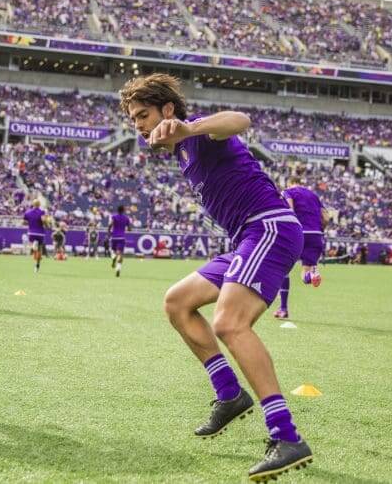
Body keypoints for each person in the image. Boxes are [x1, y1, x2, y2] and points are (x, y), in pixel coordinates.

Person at [120, 74, 312, 481]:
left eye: (143, 115)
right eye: (133, 117)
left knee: (229, 323)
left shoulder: (199, 135)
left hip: (269, 228)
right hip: (245, 238)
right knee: (177, 302)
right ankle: (229, 394)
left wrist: (190, 127)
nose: (137, 124)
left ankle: (287, 435)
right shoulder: (179, 151)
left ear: (167, 111)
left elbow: (240, 120)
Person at [274, 178, 328, 319]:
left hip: (298, 233)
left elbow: (290, 209)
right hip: (316, 235)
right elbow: (326, 217)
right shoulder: (313, 195)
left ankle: (283, 309)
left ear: (290, 183)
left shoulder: (287, 192)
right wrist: (320, 229)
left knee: (283, 269)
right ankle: (312, 274)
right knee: (305, 275)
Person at [23, 200, 48, 273]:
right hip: (40, 233)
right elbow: (43, 220)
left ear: (32, 204)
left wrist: (31, 222)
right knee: (40, 249)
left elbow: (24, 222)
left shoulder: (27, 212)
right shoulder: (42, 212)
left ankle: (33, 247)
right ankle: (37, 266)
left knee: (33, 245)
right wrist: (47, 224)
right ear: (39, 204)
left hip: (31, 232)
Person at [108, 205, 131, 277]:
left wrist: (109, 231)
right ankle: (118, 268)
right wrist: (127, 228)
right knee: (120, 254)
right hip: (122, 237)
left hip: (114, 237)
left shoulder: (114, 217)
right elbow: (130, 228)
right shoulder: (126, 218)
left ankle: (114, 256)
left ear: (117, 210)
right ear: (123, 210)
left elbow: (110, 225)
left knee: (113, 251)